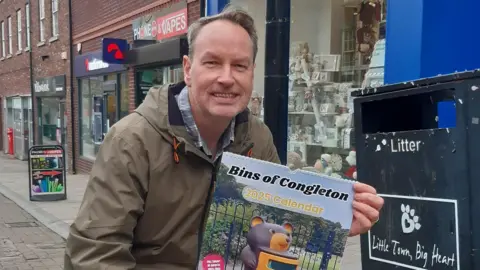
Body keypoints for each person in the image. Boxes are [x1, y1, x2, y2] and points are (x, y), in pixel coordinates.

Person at [64, 4, 384, 270]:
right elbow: (94, 255)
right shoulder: (130, 141)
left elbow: (270, 228)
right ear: (188, 69)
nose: (227, 78)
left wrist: (330, 223)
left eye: (240, 65)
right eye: (213, 62)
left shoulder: (258, 137)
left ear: (252, 71)